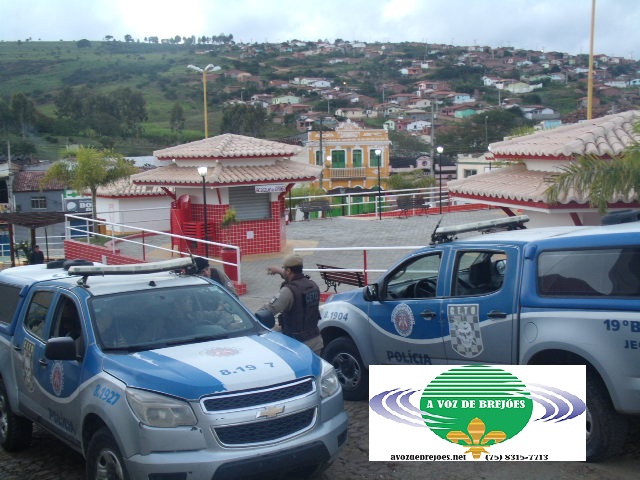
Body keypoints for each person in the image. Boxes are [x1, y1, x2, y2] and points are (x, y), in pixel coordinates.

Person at [258, 254, 323, 355]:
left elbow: (269, 310)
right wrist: (278, 270)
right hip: (316, 342)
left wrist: (249, 318)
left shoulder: (289, 291)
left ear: (288, 271)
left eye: (284, 269)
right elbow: (292, 277)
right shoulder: (312, 285)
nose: (283, 271)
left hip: (296, 346)